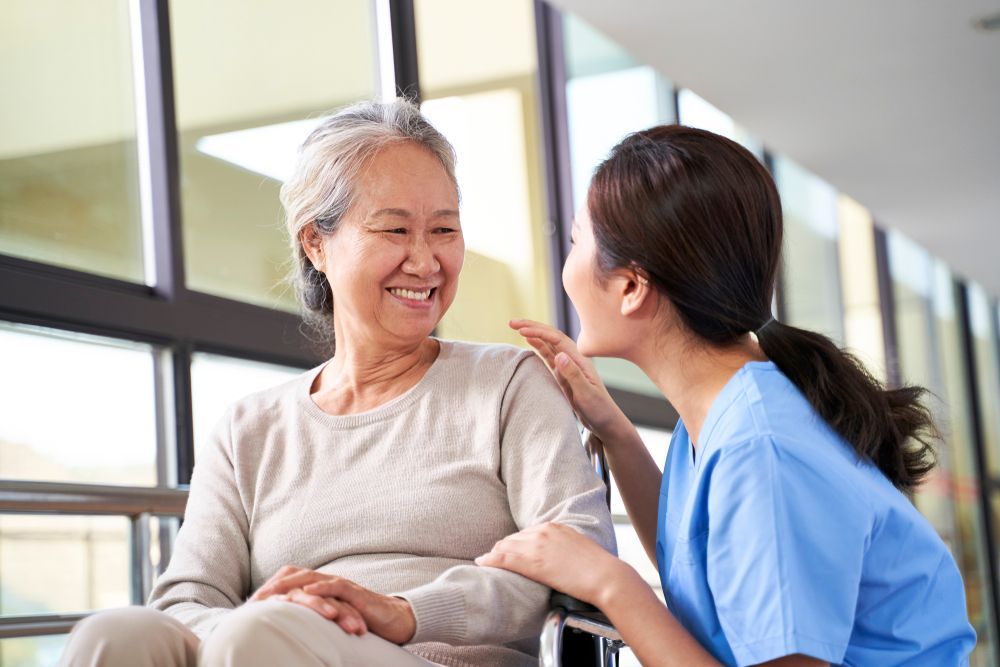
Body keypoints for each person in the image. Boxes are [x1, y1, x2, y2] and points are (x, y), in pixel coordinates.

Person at [59, 99, 614, 667]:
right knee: (115, 636)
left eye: (443, 229)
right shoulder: (250, 429)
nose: (425, 261)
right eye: (396, 229)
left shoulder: (507, 384)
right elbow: (185, 599)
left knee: (259, 636)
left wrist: (404, 612)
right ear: (316, 244)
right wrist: (282, 624)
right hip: (269, 648)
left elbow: (580, 553)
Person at [476, 125, 977, 666]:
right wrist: (615, 432)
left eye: (576, 242)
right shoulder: (734, 412)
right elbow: (698, 568)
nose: (568, 268)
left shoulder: (762, 447)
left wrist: (609, 584)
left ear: (630, 288)